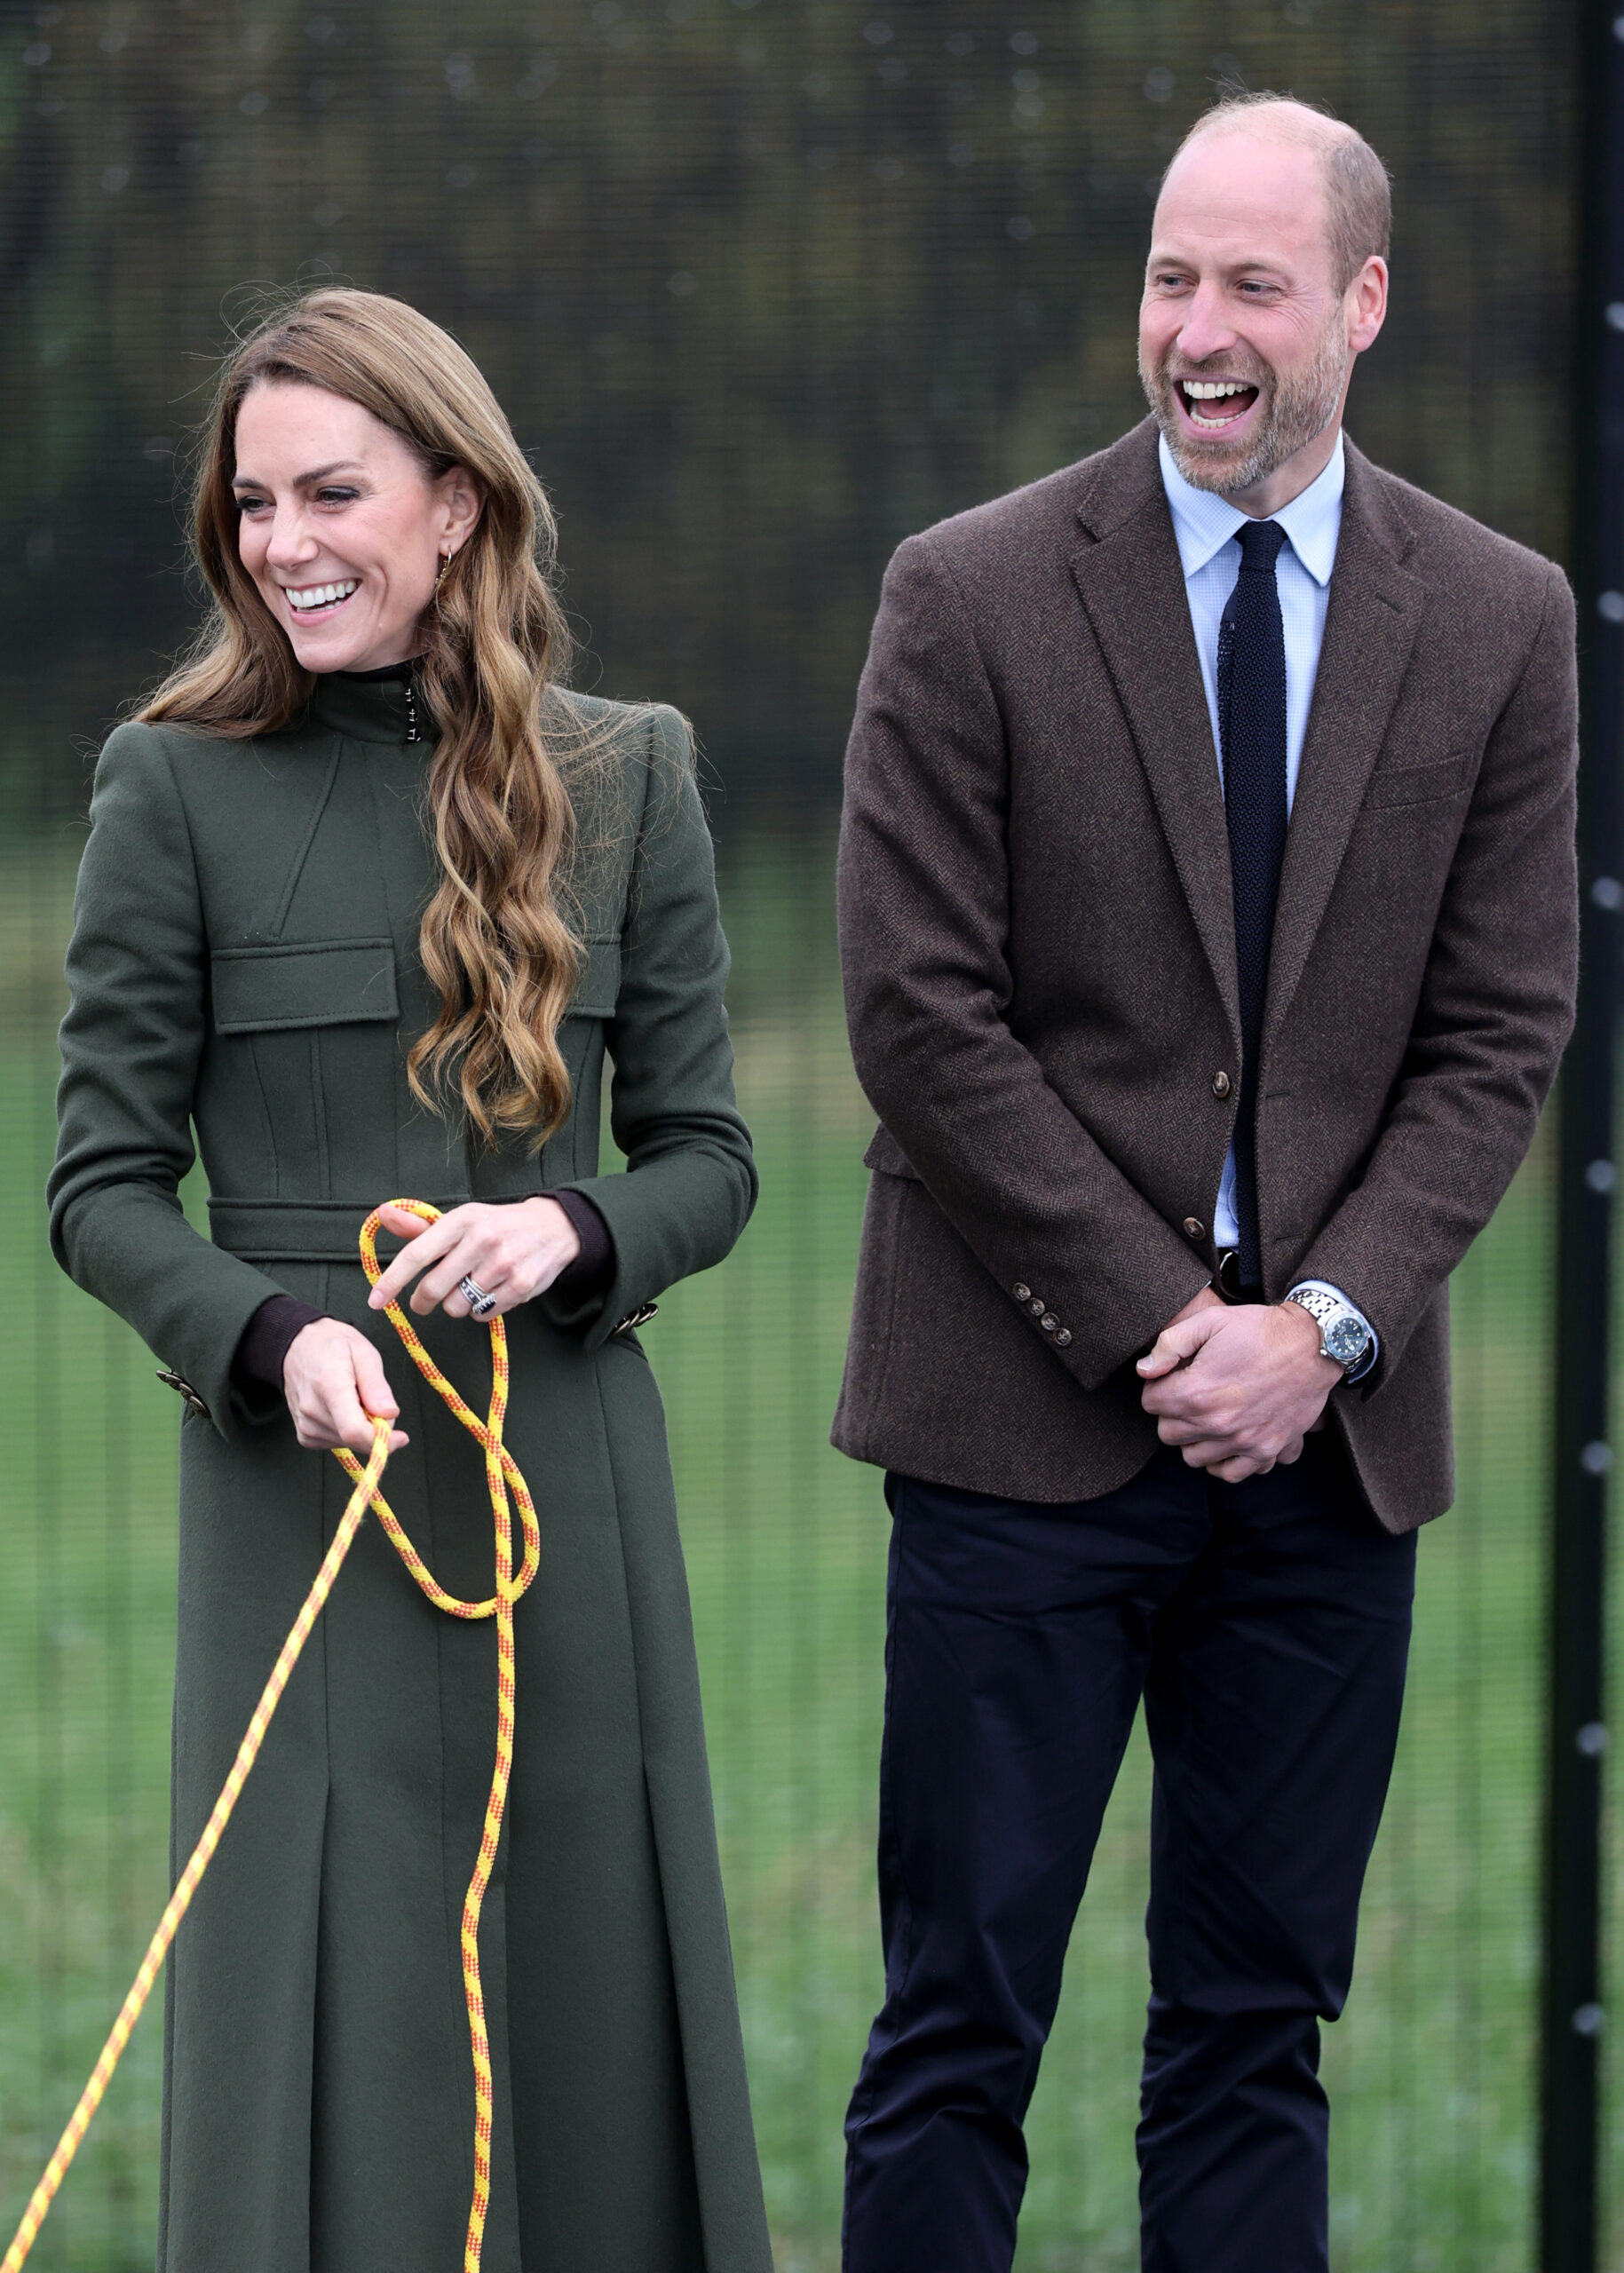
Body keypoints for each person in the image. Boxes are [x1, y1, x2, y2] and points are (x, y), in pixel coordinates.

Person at [832, 92, 1578, 2273]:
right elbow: (917, 1013)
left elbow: (1500, 1031)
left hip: (1324, 1468)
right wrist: (1182, 1332)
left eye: (1253, 281)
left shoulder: (1507, 619)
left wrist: (1322, 1332)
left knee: (1255, 2039)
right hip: (1015, 1429)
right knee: (954, 2030)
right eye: (1172, 276)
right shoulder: (966, 592)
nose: (1199, 328)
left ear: (1358, 302)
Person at [49, 288, 773, 2273]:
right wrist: (267, 1337)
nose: (283, 539)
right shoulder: (168, 785)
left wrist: (577, 1228)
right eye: (253, 499)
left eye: (335, 490)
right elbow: (99, 1191)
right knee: (330, 2024)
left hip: (571, 1505)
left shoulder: (631, 774)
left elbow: (711, 1158)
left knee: (587, 2014)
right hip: (302, 1494)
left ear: (456, 503)